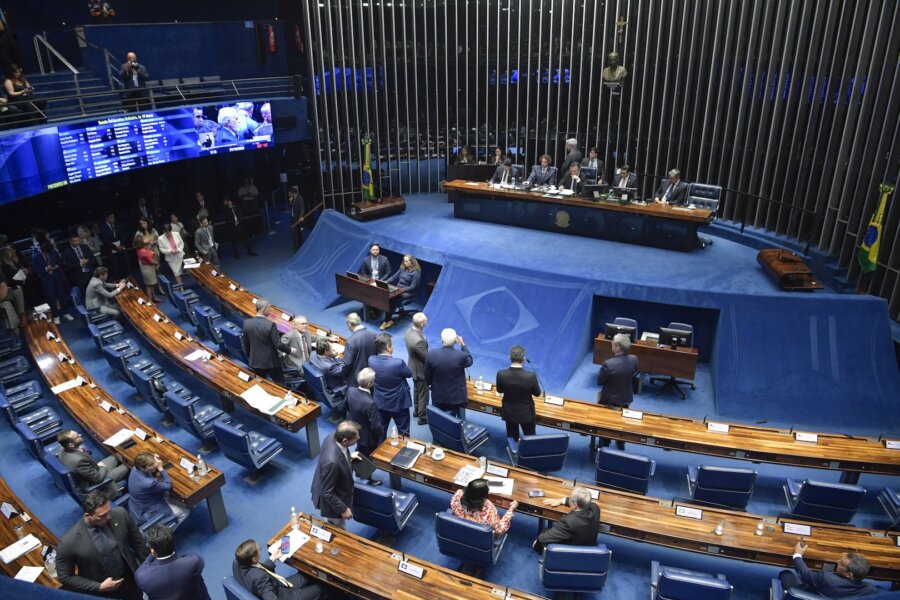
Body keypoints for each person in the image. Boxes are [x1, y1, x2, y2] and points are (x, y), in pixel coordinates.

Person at [56, 491, 148, 600]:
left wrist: (146, 568)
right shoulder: (68, 541)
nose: (108, 517)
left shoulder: (120, 514)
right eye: (102, 516)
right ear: (87, 516)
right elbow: (65, 576)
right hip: (100, 591)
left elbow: (138, 543)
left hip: (129, 580)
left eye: (108, 511)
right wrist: (99, 587)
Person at [233, 539, 328, 600]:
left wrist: (273, 558)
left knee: (308, 575)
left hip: (279, 584)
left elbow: (256, 570)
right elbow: (267, 592)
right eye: (259, 551)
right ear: (254, 559)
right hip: (285, 597)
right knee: (320, 589)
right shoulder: (261, 579)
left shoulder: (237, 562)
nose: (260, 551)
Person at [135, 525, 211, 600]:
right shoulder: (193, 562)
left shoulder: (142, 576)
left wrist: (153, 553)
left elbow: (144, 565)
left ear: (153, 551)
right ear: (173, 543)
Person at [778, 541, 878, 598]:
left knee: (785, 574)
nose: (837, 561)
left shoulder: (828, 579)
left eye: (841, 563)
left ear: (849, 575)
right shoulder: (871, 590)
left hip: (809, 594)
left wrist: (798, 554)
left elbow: (804, 574)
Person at [310, 421, 361, 529]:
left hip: (329, 478)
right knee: (337, 528)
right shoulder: (332, 463)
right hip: (330, 498)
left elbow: (338, 454)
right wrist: (344, 509)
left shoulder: (332, 436)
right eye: (356, 438)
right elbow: (327, 492)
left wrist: (349, 457)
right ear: (345, 441)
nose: (358, 438)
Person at [57, 429, 129, 498]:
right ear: (71, 445)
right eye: (77, 437)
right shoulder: (78, 461)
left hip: (91, 470)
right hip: (95, 481)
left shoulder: (62, 448)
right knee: (128, 466)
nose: (80, 435)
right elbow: (98, 478)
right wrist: (102, 467)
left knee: (118, 455)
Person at [126, 452, 189, 531]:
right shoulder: (149, 483)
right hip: (148, 511)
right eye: (151, 465)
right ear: (144, 468)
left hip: (136, 506)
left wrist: (152, 458)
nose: (155, 464)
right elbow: (168, 485)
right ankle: (165, 535)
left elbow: (143, 460)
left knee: (176, 499)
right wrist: (161, 469)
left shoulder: (135, 468)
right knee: (184, 512)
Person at [242, 298, 296, 385]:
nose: (271, 310)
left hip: (255, 361)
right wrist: (290, 350)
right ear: (264, 309)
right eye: (269, 308)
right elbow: (278, 344)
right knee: (281, 385)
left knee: (260, 384)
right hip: (271, 362)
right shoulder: (270, 324)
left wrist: (250, 356)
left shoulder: (247, 323)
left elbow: (246, 343)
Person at [368, 333, 413, 437]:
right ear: (388, 348)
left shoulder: (371, 360)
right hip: (399, 404)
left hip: (380, 402)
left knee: (381, 431)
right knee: (403, 432)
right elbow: (409, 374)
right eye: (392, 345)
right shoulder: (398, 363)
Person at [532, 487, 600, 554]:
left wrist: (536, 543)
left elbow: (543, 539)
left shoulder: (568, 522)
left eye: (570, 498)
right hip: (590, 552)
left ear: (574, 504)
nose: (569, 499)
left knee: (544, 533)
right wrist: (562, 500)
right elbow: (589, 504)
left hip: (571, 554)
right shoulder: (595, 508)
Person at [425, 327, 473, 418]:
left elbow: (427, 376)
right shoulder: (461, 356)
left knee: (438, 419)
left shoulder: (431, 354)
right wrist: (463, 344)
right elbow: (470, 361)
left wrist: (431, 385)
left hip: (438, 395)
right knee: (453, 420)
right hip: (455, 398)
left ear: (441, 340)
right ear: (455, 341)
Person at [496, 345, 541, 440]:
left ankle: (513, 453)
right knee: (530, 438)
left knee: (512, 439)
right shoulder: (530, 376)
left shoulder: (501, 374)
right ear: (524, 359)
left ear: (509, 357)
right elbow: (537, 393)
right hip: (526, 414)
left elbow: (499, 390)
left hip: (509, 412)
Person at [450, 479, 518, 535]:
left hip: (460, 529)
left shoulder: (458, 495)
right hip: (478, 535)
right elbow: (499, 530)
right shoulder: (488, 509)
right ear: (483, 495)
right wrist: (511, 509)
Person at [346, 368, 385, 462]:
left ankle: (358, 471)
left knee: (360, 450)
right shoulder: (370, 403)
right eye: (374, 380)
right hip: (368, 437)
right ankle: (365, 474)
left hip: (354, 429)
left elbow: (345, 407)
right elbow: (375, 425)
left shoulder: (350, 390)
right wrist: (382, 434)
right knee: (368, 456)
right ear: (369, 384)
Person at [31, 240, 72, 324]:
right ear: (42, 250)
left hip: (57, 277)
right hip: (47, 280)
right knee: (52, 299)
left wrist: (56, 266)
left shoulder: (53, 252)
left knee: (62, 296)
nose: (47, 254)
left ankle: (65, 313)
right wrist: (45, 269)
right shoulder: (36, 257)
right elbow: (35, 271)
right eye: (46, 253)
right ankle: (56, 316)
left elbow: (59, 262)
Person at [381, 254, 421, 330]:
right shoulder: (402, 268)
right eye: (404, 261)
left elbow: (413, 287)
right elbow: (394, 277)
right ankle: (389, 320)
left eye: (406, 261)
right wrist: (385, 282)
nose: (404, 263)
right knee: (387, 297)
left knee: (394, 299)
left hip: (408, 292)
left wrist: (402, 290)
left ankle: (386, 320)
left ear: (411, 262)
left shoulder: (416, 272)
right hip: (398, 289)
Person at [598, 332, 638, 407]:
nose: (611, 343)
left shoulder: (608, 364)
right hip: (626, 398)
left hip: (610, 401)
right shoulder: (634, 359)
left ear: (617, 348)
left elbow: (600, 381)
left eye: (613, 342)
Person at [309, 338, 347, 414]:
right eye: (332, 349)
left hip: (327, 377)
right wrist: (334, 356)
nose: (333, 349)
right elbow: (344, 370)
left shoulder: (313, 354)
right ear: (326, 352)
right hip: (336, 385)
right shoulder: (329, 366)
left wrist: (333, 356)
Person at [404, 312, 429, 424]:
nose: (427, 322)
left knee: (416, 390)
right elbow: (426, 358)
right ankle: (422, 417)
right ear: (422, 324)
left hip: (413, 366)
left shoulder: (409, 331)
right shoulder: (418, 341)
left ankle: (416, 411)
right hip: (420, 369)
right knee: (424, 394)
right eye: (426, 321)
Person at [342, 312, 376, 387]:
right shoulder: (374, 334)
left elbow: (347, 363)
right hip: (372, 374)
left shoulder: (351, 341)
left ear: (349, 324)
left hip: (358, 379)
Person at [61, 231, 98, 301]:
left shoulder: (85, 247)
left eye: (77, 240)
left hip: (90, 272)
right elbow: (68, 266)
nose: (77, 242)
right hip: (79, 276)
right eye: (74, 241)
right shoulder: (66, 252)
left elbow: (93, 259)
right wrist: (80, 264)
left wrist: (86, 262)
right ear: (70, 241)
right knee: (86, 294)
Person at [98, 212, 129, 279]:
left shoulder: (117, 225)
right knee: (116, 268)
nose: (113, 219)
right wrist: (115, 247)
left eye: (114, 217)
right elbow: (105, 240)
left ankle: (128, 280)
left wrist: (121, 245)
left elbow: (124, 235)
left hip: (121, 248)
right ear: (107, 219)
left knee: (124, 266)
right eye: (111, 218)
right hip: (111, 250)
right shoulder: (102, 228)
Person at [134, 236, 162, 302]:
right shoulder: (143, 251)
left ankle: (154, 297)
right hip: (148, 269)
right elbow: (152, 261)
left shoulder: (139, 249)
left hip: (146, 268)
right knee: (149, 285)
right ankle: (150, 300)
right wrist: (156, 262)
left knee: (151, 285)